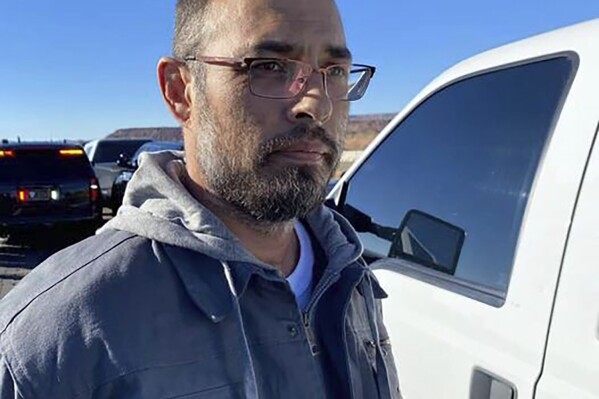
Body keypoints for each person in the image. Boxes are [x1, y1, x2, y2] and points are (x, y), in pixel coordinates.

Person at [0, 0, 401, 397]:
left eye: (334, 72)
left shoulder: (346, 270)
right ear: (181, 91)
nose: (315, 103)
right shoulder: (52, 338)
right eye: (269, 66)